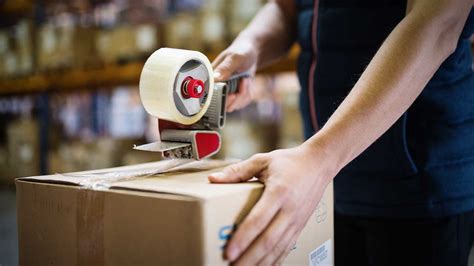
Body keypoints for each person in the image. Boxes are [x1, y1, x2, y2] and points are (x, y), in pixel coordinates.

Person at [207, 0, 474, 265]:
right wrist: (251, 43)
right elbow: (288, 8)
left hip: (416, 190)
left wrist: (319, 159)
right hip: (327, 185)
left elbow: (438, 24)